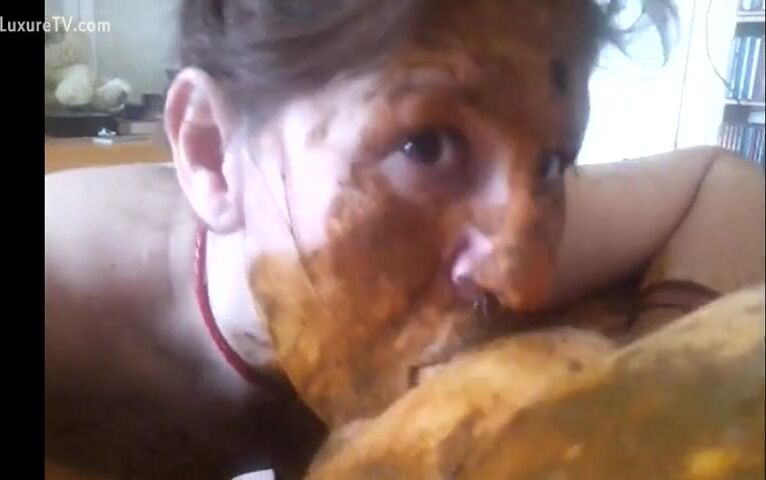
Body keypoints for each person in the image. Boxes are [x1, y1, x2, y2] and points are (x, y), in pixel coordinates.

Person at [44, 0, 764, 479]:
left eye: (550, 164)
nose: (525, 282)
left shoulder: (484, 236)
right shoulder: (66, 319)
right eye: (426, 146)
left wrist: (645, 394)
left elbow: (719, 179)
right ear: (209, 151)